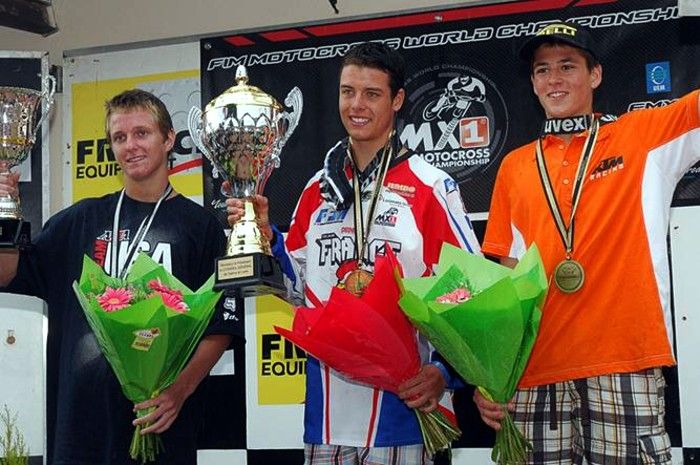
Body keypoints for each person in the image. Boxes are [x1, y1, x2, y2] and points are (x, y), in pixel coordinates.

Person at [226, 42, 481, 464]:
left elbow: (468, 295)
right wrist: (267, 237)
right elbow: (297, 289)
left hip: (404, 411)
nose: (356, 105)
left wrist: (443, 372)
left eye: (371, 93)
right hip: (325, 415)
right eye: (348, 92)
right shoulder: (317, 189)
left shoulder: (431, 187)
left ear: (397, 100)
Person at [474, 21, 700, 464]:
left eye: (567, 66)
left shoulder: (642, 136)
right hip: (534, 373)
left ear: (595, 75)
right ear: (533, 83)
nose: (553, 79)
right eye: (542, 70)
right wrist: (491, 376)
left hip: (624, 362)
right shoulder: (515, 167)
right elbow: (504, 283)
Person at [0, 89, 239, 465]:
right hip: (81, 431)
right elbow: (7, 275)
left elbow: (221, 326)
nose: (130, 146)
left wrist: (179, 391)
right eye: (119, 137)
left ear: (169, 139)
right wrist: (4, 218)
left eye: (141, 133)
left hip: (159, 425)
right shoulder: (79, 220)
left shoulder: (200, 227)